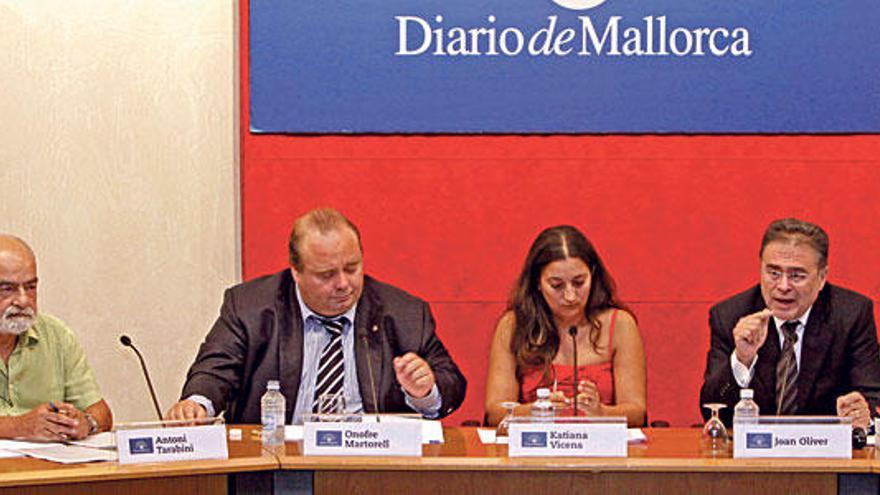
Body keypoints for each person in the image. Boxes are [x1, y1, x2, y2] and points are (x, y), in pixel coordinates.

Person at [167, 208, 467, 423]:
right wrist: (197, 405)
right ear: (296, 272)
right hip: (279, 467)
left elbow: (451, 384)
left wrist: (425, 391)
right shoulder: (250, 307)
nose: (343, 284)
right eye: (326, 275)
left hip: (373, 468)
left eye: (352, 268)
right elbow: (216, 369)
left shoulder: (403, 312)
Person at [700, 218, 880, 428]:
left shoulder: (850, 315)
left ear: (822, 278)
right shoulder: (731, 316)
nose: (783, 286)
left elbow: (872, 397)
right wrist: (742, 359)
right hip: (755, 454)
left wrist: (859, 411)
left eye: (797, 275)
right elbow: (712, 411)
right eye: (773, 273)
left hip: (825, 452)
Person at [484, 225, 646, 427]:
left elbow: (637, 412)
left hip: (601, 450)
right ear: (537, 282)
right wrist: (535, 410)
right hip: (534, 449)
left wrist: (601, 412)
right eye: (557, 285)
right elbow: (495, 412)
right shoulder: (513, 325)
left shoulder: (620, 325)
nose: (570, 296)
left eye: (579, 282)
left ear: (593, 275)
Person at [0, 235, 112, 440]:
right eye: (7, 289)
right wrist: (18, 427)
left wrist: (85, 422)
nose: (24, 300)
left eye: (31, 287)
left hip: (48, 468)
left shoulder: (56, 335)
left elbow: (100, 412)